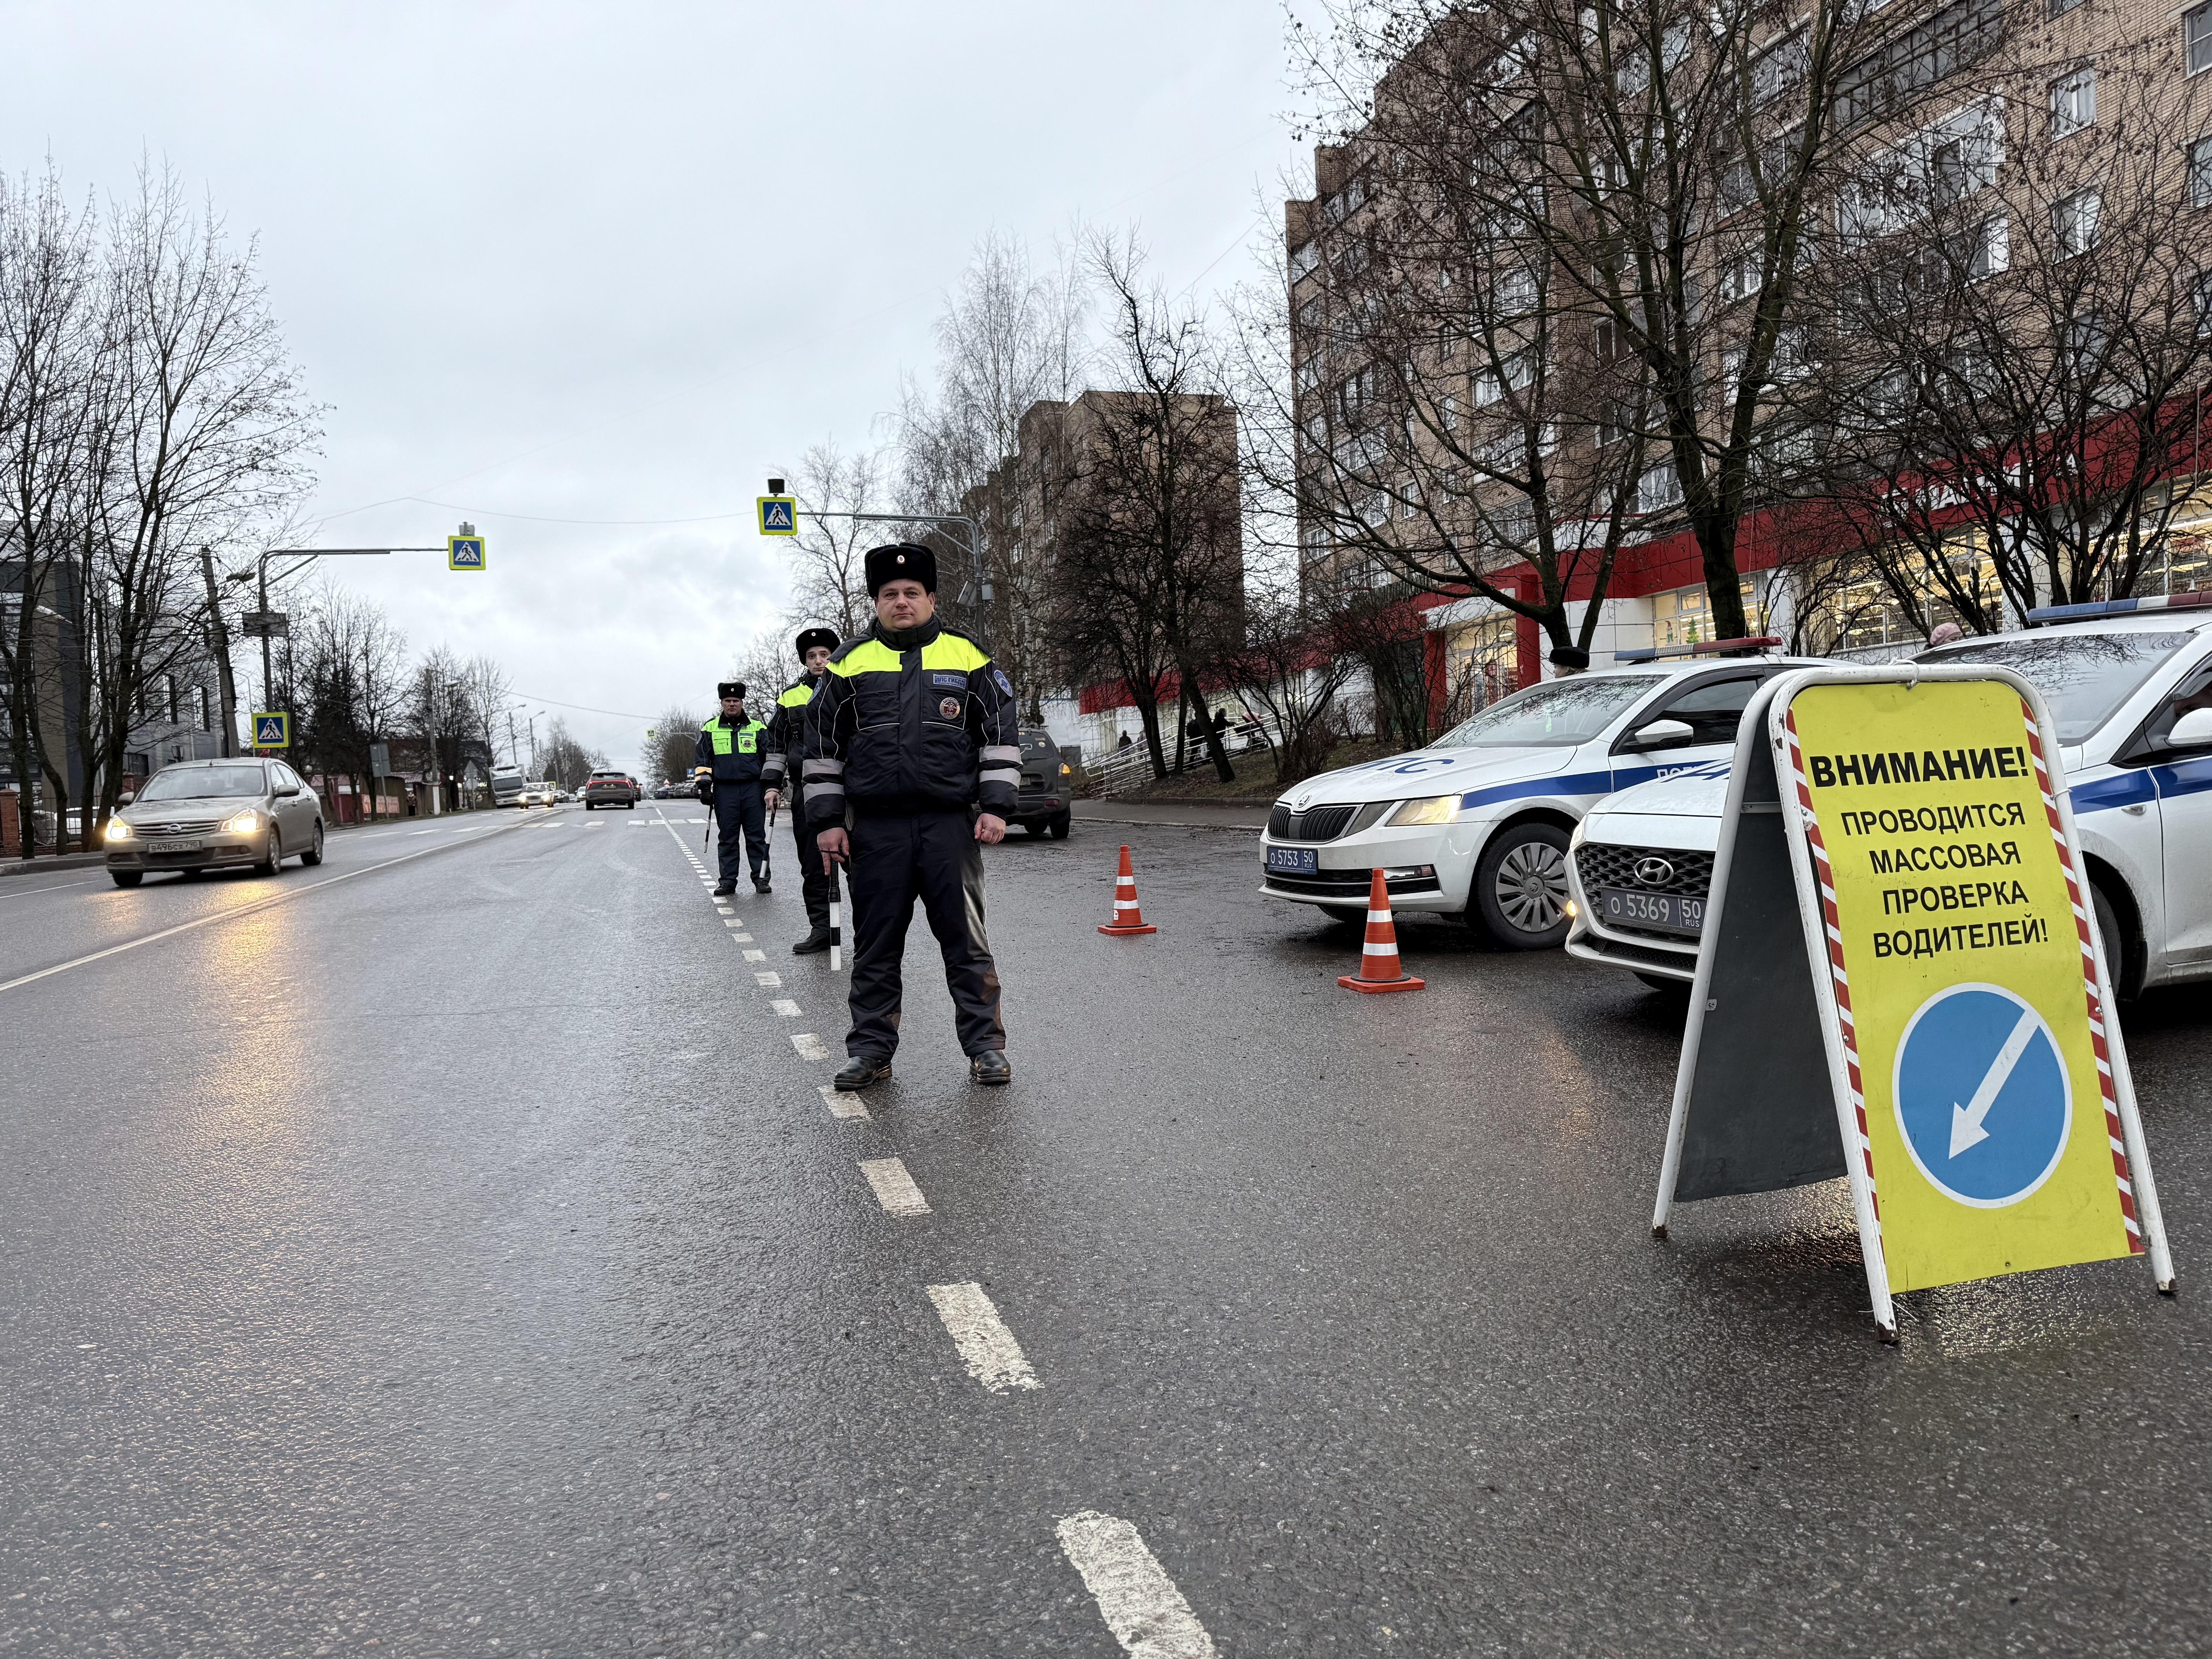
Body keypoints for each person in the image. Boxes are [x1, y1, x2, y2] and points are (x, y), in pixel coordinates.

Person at [801, 542, 1019, 1089]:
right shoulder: (848, 663)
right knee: (876, 947)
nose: (901, 602)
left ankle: (986, 1048)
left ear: (931, 598)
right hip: (876, 828)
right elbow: (823, 747)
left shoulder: (968, 656)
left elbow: (1000, 734)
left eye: (911, 593)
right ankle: (871, 1050)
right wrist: (828, 822)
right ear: (876, 601)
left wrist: (995, 807)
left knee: (967, 945)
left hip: (949, 825)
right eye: (890, 594)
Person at [762, 626, 842, 953]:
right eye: (812, 656)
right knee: (813, 864)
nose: (819, 660)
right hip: (806, 791)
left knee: (863, 864)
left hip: (850, 788)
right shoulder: (790, 697)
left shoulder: (852, 686)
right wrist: (771, 785)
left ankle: (871, 934)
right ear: (805, 661)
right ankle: (823, 929)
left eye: (824, 654)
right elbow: (777, 746)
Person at [692, 681, 771, 896]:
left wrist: (771, 786)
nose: (732, 704)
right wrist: (704, 786)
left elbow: (769, 759)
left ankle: (761, 879)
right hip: (725, 791)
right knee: (727, 838)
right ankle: (728, 882)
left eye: (736, 701)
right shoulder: (710, 728)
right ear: (722, 703)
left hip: (753, 789)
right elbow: (702, 760)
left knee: (757, 837)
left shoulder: (758, 728)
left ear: (742, 702)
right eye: (728, 701)